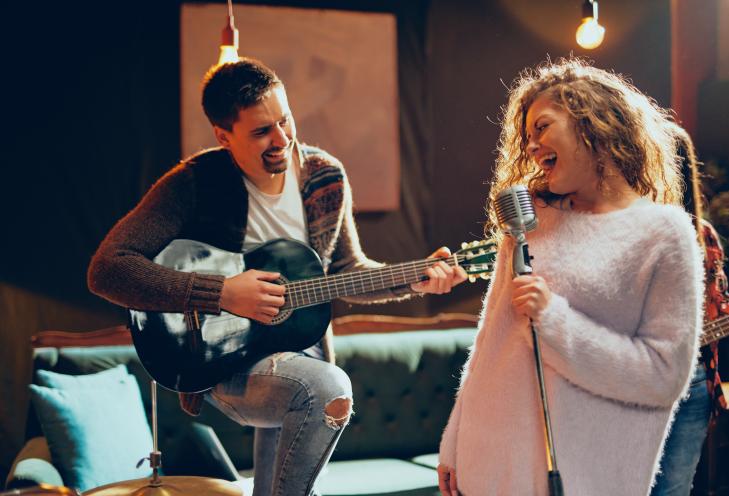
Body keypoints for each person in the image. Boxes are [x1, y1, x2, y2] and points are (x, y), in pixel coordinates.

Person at [87, 57, 466, 496]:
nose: (282, 139)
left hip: (300, 354)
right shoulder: (195, 183)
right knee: (327, 388)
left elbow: (346, 271)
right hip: (221, 363)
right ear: (223, 136)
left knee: (303, 417)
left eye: (285, 121)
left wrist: (413, 279)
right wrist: (222, 293)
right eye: (262, 131)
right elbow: (107, 268)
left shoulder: (324, 177)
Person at [437, 58, 704, 496]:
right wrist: (454, 441)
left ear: (591, 120)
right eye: (526, 137)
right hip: (487, 460)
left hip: (588, 476)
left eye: (542, 126)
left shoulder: (665, 233)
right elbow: (491, 340)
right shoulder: (531, 219)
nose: (532, 146)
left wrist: (554, 321)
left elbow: (664, 375)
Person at [650, 125, 729, 495]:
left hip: (693, 384)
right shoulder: (624, 230)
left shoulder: (701, 232)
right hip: (638, 378)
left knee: (674, 490)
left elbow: (716, 305)